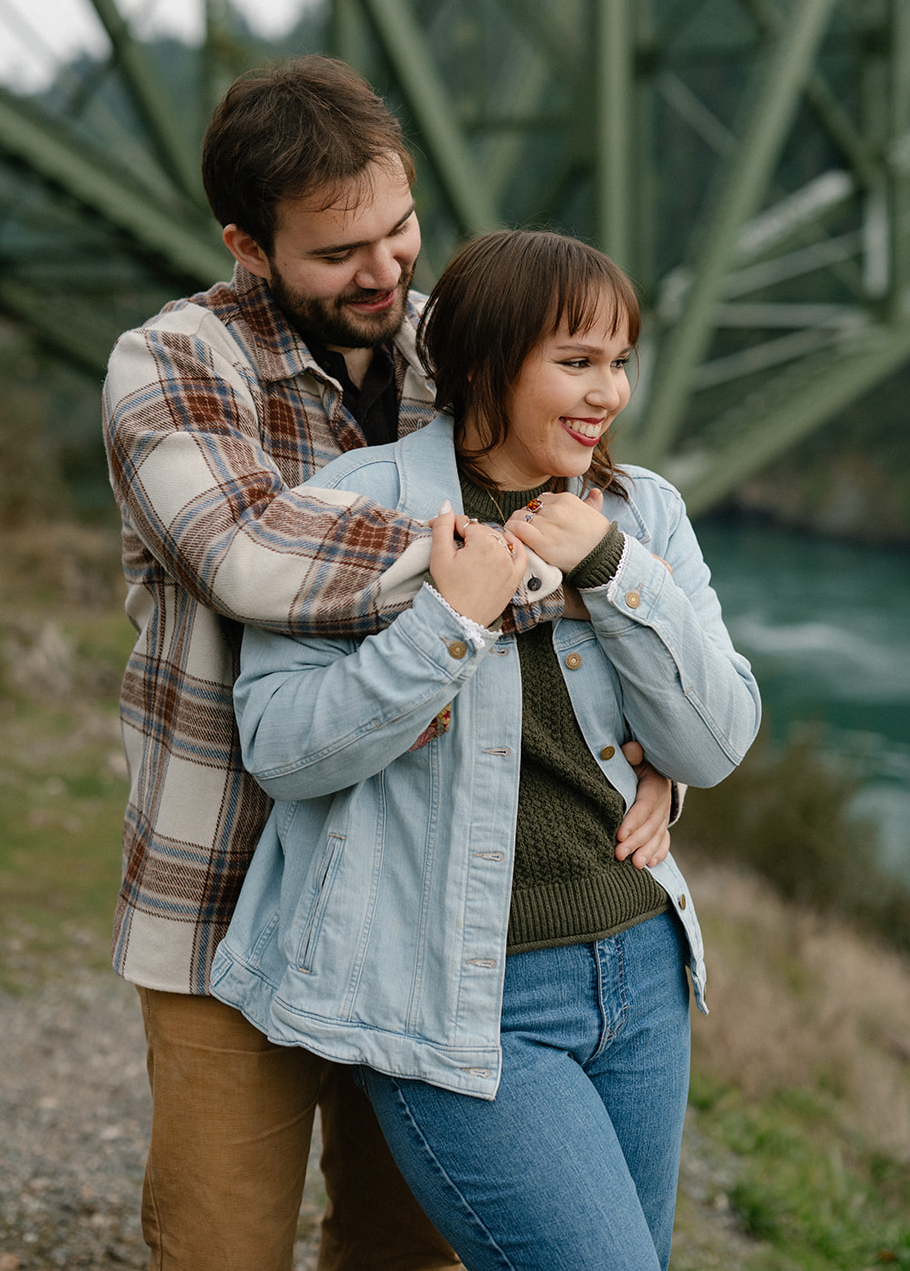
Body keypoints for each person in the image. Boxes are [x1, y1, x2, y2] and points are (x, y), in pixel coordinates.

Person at [103, 61, 677, 1270]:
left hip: (421, 908)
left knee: (407, 1250)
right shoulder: (169, 365)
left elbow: (608, 517)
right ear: (247, 246)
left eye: (399, 229)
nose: (383, 271)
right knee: (220, 1247)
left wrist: (654, 736)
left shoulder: (453, 344)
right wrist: (505, 563)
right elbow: (249, 554)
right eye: (335, 253)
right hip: (226, 893)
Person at [211, 228, 762, 1271]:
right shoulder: (352, 504)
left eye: (618, 360)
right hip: (463, 992)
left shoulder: (640, 511)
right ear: (480, 364)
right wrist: (446, 628)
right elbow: (279, 749)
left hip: (640, 971)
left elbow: (717, 737)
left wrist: (611, 567)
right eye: (574, 361)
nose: (609, 393)